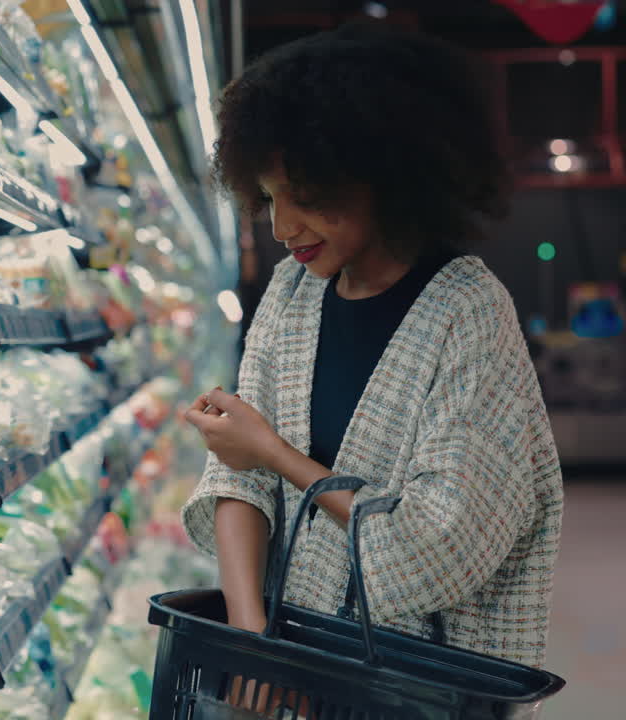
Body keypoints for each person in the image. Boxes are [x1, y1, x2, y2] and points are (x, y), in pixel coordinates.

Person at [182, 23, 563, 670]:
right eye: (269, 198)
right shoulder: (290, 295)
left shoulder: (467, 314)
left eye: (305, 198)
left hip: (411, 682)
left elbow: (438, 545)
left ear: (387, 176)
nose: (281, 228)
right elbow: (235, 481)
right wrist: (250, 641)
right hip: (295, 665)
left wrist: (274, 453)